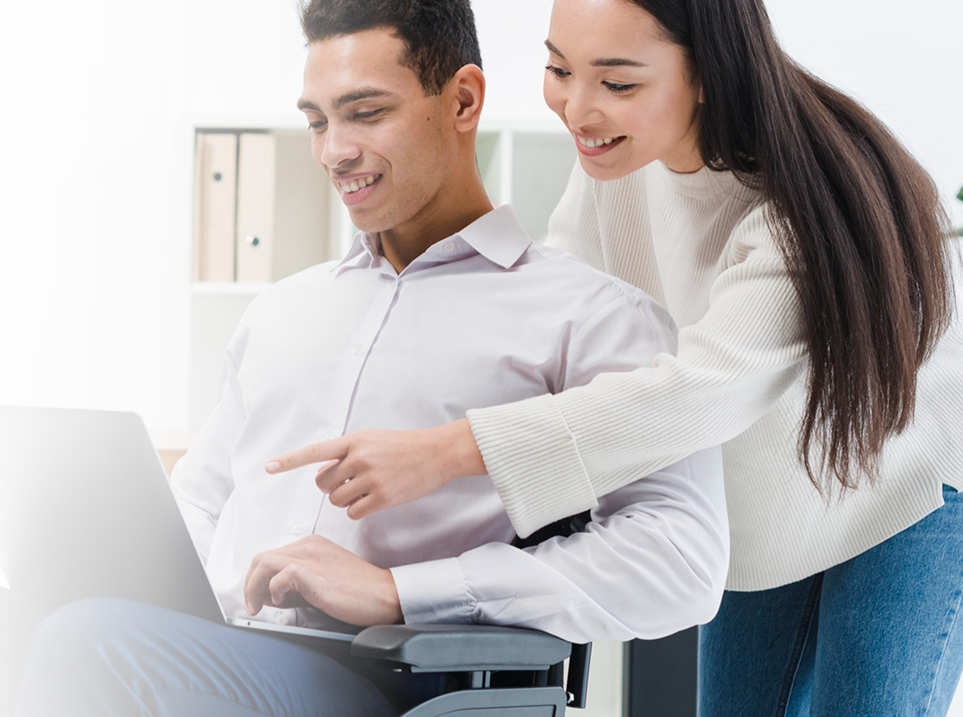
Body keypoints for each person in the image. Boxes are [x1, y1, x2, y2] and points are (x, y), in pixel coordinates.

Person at [0, 1, 729, 716]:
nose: (336, 150)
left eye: (365, 112)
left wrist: (402, 588)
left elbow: (681, 557)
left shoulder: (593, 317)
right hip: (214, 639)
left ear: (463, 100)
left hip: (384, 679)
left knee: (92, 642)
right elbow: (202, 500)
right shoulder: (285, 310)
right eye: (318, 119)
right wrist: (111, 563)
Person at [267, 0, 963, 715]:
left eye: (618, 84)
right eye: (559, 69)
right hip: (771, 504)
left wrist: (444, 452)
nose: (578, 109)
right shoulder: (620, 161)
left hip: (899, 494)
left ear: (707, 76)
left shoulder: (801, 210)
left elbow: (697, 390)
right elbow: (553, 326)